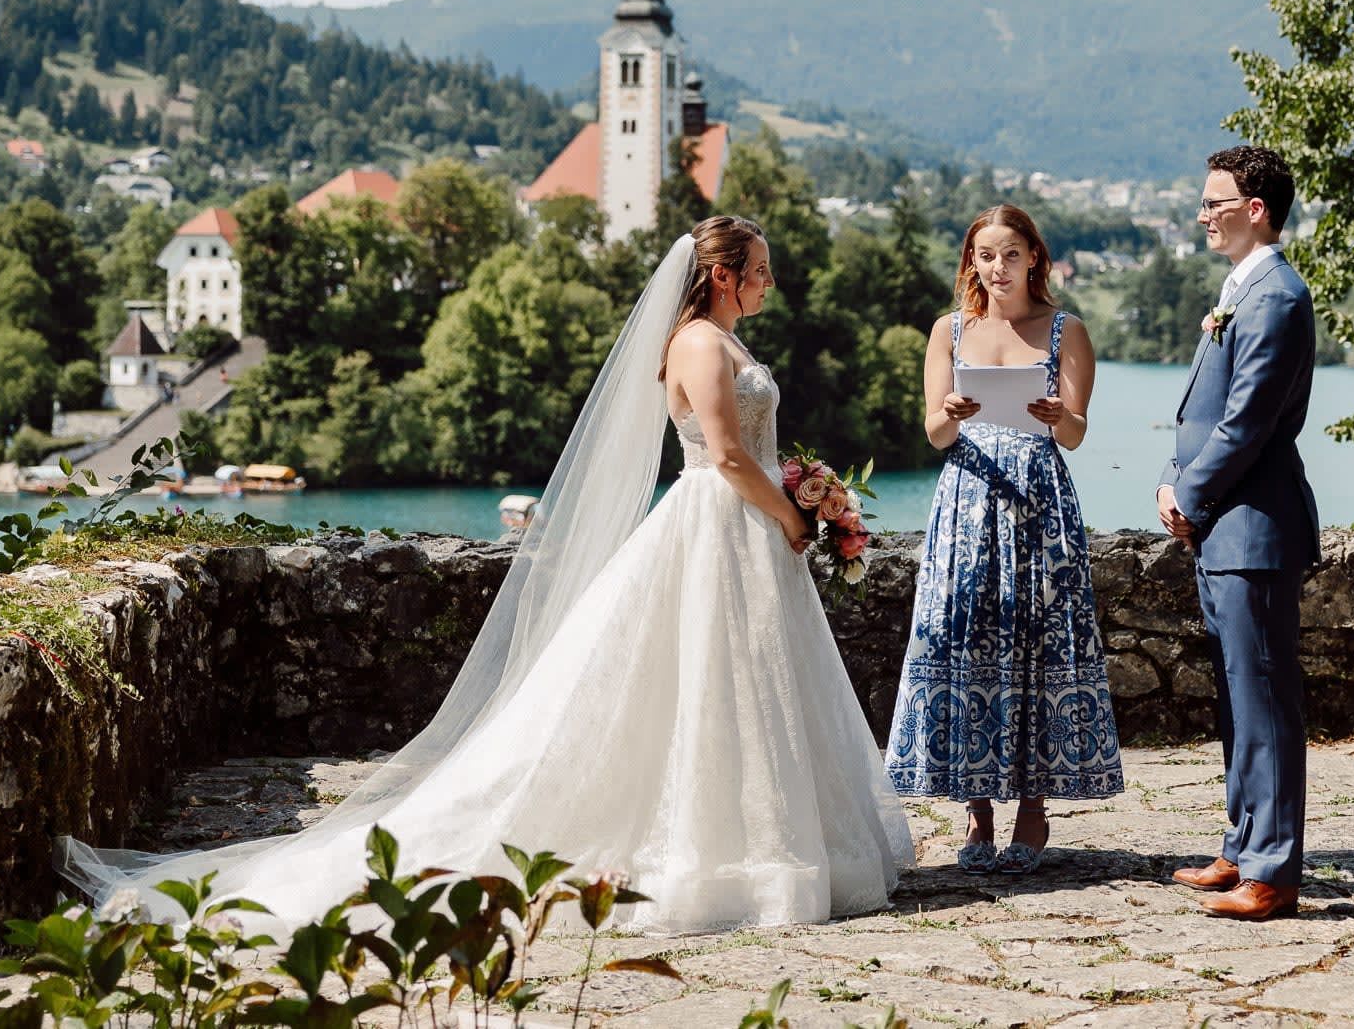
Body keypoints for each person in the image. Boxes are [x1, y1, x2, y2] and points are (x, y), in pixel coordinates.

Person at [62, 216, 912, 932]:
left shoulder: (725, 339)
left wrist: (802, 495)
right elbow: (723, 453)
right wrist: (794, 513)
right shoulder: (696, 342)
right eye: (759, 271)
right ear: (721, 275)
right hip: (717, 523)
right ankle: (720, 857)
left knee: (746, 687)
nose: (769, 283)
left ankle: (768, 843)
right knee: (699, 684)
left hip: (746, 532)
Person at [885, 205, 1123, 876]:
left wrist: (1059, 414)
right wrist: (951, 412)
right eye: (986, 255)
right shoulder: (948, 330)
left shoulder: (1067, 330)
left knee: (1037, 645)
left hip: (1038, 502)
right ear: (972, 261)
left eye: (1011, 254)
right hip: (967, 500)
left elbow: (1074, 435)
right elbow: (935, 434)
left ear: (1034, 258)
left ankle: (1033, 807)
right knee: (967, 642)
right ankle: (978, 808)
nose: (998, 266)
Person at [1157, 145, 1319, 922]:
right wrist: (1172, 478)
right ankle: (1242, 844)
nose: (1202, 215)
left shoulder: (1277, 296)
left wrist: (1188, 493)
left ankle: (1274, 871)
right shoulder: (1240, 289)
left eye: (1213, 201)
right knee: (1237, 699)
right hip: (1223, 527)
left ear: (1255, 209)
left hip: (1254, 529)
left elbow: (1248, 421)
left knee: (1267, 703)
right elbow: (1203, 410)